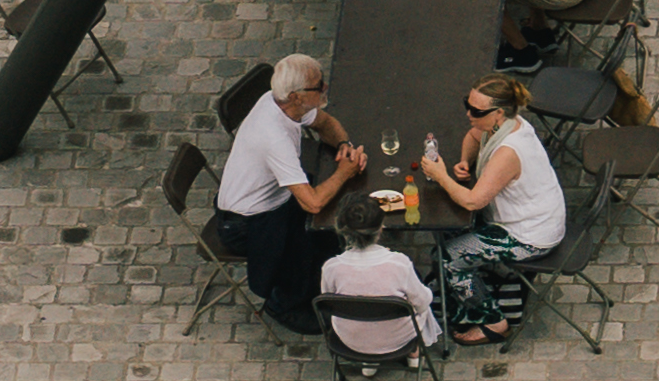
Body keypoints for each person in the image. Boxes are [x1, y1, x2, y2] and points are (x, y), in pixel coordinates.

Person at [216, 51, 361, 331]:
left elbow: (326, 124)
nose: (324, 89)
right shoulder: (274, 137)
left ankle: (326, 276)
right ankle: (283, 305)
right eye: (318, 87)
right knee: (308, 235)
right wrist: (344, 172)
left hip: (275, 199)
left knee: (324, 228)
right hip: (246, 224)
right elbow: (313, 203)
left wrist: (344, 143)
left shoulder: (285, 104)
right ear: (295, 96)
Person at [421, 72, 570, 336]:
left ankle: (491, 320)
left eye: (476, 111)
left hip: (528, 236)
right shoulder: (505, 125)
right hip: (531, 217)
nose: (469, 114)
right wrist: (467, 161)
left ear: (498, 112)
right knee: (449, 226)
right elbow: (473, 136)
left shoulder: (508, 152)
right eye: (467, 104)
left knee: (446, 259)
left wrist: (441, 176)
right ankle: (477, 279)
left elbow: (472, 201)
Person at [315, 196, 442, 364]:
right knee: (421, 302)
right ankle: (414, 354)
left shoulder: (331, 267)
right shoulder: (399, 264)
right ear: (381, 228)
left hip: (351, 339)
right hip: (396, 337)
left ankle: (369, 363)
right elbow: (422, 301)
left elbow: (329, 300)